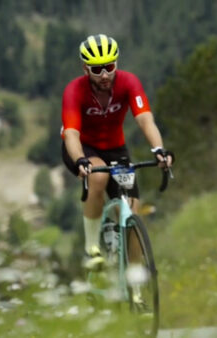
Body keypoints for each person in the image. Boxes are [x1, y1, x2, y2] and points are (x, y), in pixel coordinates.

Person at [61, 34, 174, 270]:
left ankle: (136, 283)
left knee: (133, 214)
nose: (104, 75)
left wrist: (159, 150)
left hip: (115, 148)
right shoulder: (74, 90)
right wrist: (80, 160)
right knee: (98, 177)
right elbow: (71, 134)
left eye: (109, 67)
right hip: (83, 148)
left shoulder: (129, 82)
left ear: (117, 64)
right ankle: (91, 248)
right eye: (97, 69)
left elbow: (145, 119)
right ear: (85, 68)